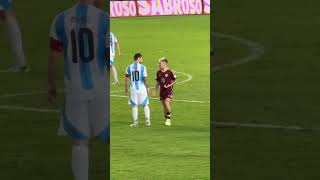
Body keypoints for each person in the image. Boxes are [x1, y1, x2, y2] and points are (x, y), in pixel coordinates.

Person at [48, 1, 109, 180]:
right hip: (101, 87)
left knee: (79, 142)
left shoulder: (60, 19)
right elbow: (109, 56)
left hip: (74, 89)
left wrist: (51, 84)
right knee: (111, 137)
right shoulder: (104, 19)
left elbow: (53, 55)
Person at [0, 0, 28, 72]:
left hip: (7, 15)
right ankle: (20, 65)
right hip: (7, 14)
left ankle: (20, 66)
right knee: (15, 40)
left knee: (14, 41)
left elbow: (3, 11)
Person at [125, 53, 150, 127]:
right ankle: (147, 121)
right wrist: (147, 88)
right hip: (142, 89)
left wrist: (126, 89)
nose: (142, 60)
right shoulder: (143, 67)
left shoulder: (129, 67)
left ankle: (135, 123)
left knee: (134, 106)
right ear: (138, 58)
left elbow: (126, 79)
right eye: (141, 58)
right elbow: (145, 79)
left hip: (133, 89)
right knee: (145, 105)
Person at [154, 57, 176, 126]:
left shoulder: (170, 72)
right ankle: (167, 118)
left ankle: (169, 118)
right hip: (162, 91)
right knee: (164, 106)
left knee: (167, 102)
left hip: (169, 90)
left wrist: (169, 85)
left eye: (160, 63)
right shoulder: (158, 72)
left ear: (164, 64)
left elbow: (175, 80)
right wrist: (155, 90)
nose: (159, 65)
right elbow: (157, 82)